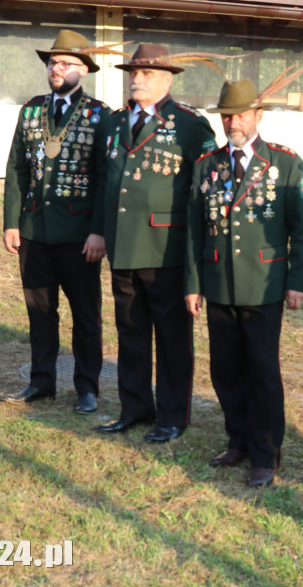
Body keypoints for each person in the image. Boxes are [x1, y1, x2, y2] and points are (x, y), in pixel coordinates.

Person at [184, 78, 303, 488]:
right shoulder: (207, 164)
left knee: (261, 369)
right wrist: (193, 283)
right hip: (219, 281)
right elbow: (193, 229)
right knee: (224, 369)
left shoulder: (285, 163)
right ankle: (237, 439)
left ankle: (265, 452)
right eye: (226, 115)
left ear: (258, 115)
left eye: (239, 114)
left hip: (264, 283)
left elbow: (300, 229)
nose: (232, 122)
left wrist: (297, 281)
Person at [97, 43, 216, 443]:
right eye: (133, 72)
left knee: (171, 338)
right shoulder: (115, 123)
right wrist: (100, 230)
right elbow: (106, 183)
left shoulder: (188, 124)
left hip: (166, 246)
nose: (136, 78)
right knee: (130, 331)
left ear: (167, 79)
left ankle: (172, 415)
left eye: (145, 73)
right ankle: (134, 407)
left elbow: (202, 191)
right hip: (123, 244)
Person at [0, 30, 109, 414]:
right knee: (39, 312)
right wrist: (11, 221)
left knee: (85, 313)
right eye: (52, 63)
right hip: (34, 230)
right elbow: (16, 169)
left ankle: (87, 387)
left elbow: (104, 178)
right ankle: (41, 382)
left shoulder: (100, 115)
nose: (56, 69)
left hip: (80, 234)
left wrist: (99, 230)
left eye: (65, 63)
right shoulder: (31, 110)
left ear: (84, 70)